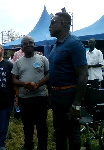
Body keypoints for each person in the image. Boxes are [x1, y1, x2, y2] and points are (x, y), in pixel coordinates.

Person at [49, 12, 88, 150]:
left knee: (72, 134)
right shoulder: (56, 46)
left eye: (52, 22)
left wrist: (77, 103)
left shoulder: (74, 44)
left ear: (62, 23)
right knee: (59, 132)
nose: (49, 26)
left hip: (68, 96)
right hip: (56, 97)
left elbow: (83, 75)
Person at [11, 35, 49, 150]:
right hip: (24, 98)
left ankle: (42, 147)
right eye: (25, 44)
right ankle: (28, 145)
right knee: (27, 125)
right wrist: (24, 84)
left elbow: (49, 75)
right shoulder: (18, 62)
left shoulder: (43, 59)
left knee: (41, 124)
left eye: (30, 43)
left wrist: (38, 85)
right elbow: (13, 79)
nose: (28, 45)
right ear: (21, 47)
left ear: (34, 44)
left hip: (40, 97)